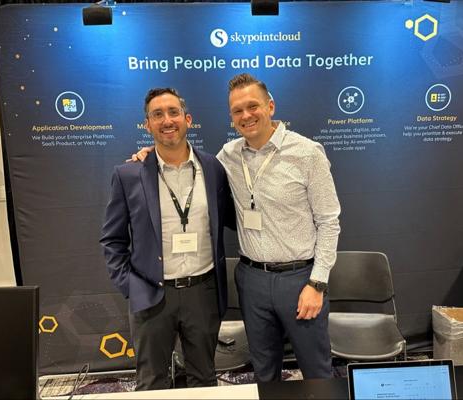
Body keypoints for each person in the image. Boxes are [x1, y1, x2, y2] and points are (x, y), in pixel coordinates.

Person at [132, 73, 341, 382]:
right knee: (263, 370)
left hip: (300, 280)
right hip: (251, 280)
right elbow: (184, 159)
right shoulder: (227, 157)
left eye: (252, 106)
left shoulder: (307, 153)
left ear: (270, 106)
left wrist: (317, 283)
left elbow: (329, 222)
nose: (246, 115)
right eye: (237, 111)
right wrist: (150, 155)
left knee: (317, 371)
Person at [100, 88, 235, 390]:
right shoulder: (129, 174)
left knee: (204, 378)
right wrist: (131, 286)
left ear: (188, 119)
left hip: (203, 292)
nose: (167, 120)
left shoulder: (213, 168)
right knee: (152, 383)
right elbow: (112, 239)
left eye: (173, 112)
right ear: (147, 125)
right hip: (151, 294)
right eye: (157, 114)